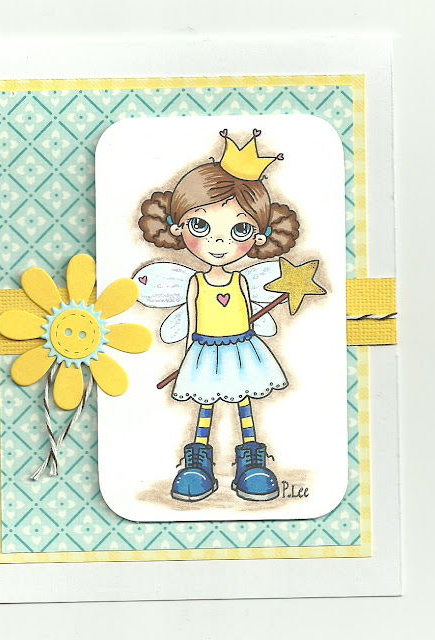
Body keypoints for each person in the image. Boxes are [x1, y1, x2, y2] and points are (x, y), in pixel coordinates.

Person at [138, 130, 299, 502]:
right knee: (205, 404)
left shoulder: (242, 280)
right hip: (204, 350)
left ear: (259, 235)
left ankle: (251, 462)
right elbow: (192, 321)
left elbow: (251, 316)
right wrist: (190, 356)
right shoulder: (194, 282)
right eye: (201, 226)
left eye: (239, 229)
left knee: (244, 401)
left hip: (242, 348)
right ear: (179, 227)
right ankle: (198, 464)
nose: (220, 242)